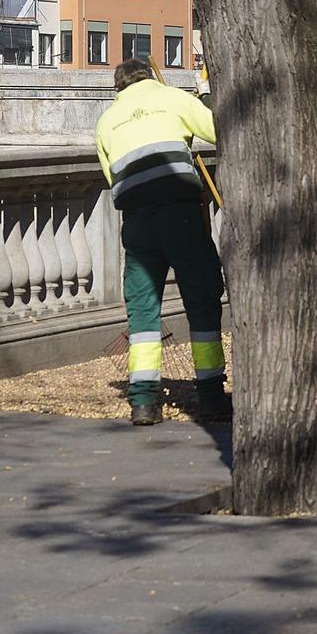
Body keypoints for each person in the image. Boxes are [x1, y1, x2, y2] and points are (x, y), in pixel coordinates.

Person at [94, 57, 229, 426]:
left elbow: (112, 176)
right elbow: (220, 130)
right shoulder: (171, 97)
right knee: (201, 301)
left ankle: (143, 401)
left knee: (142, 311)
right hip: (180, 214)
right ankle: (212, 397)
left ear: (118, 88)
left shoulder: (106, 121)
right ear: (150, 77)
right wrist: (205, 98)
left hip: (137, 223)